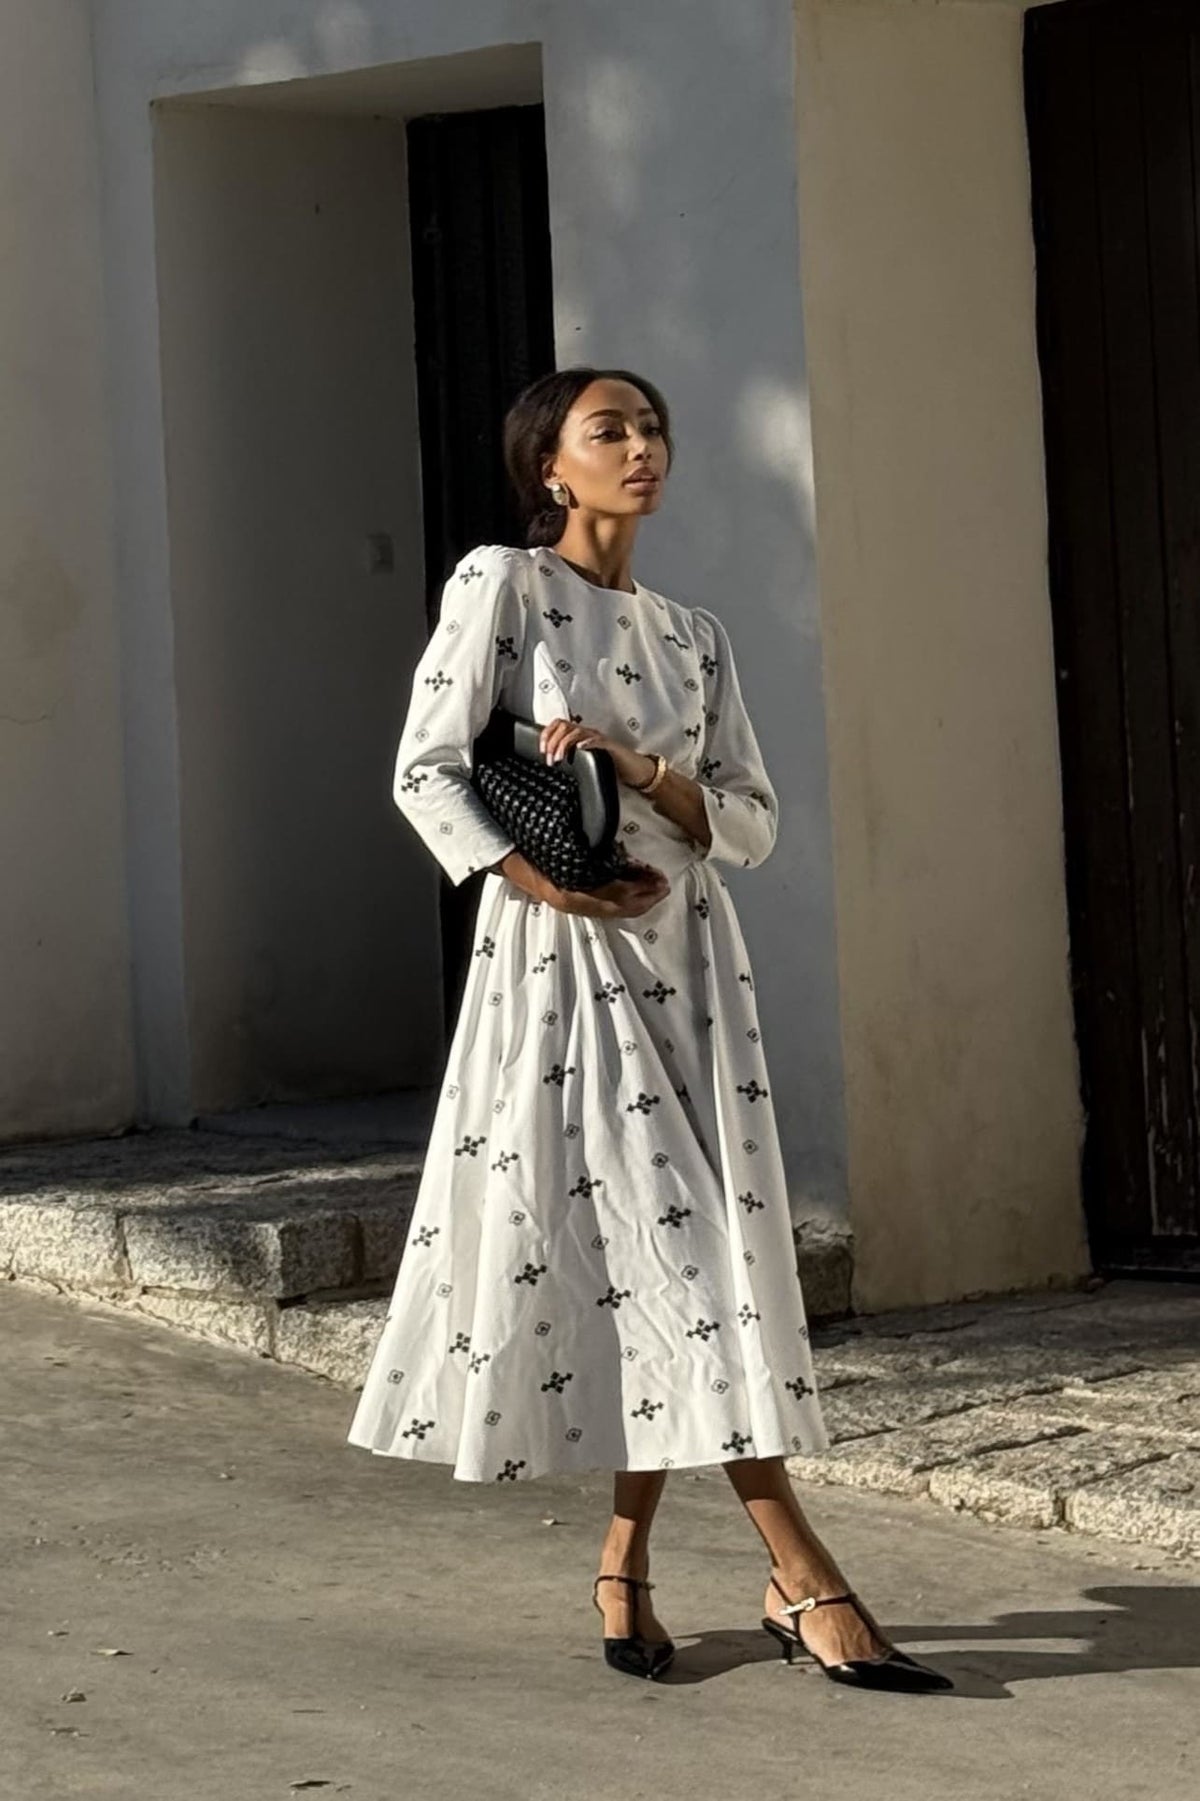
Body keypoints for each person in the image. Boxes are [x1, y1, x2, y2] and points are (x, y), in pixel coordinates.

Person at [346, 367, 950, 1694]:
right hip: (565, 967)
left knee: (669, 1253)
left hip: (694, 967)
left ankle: (624, 1557)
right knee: (687, 1258)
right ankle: (802, 1567)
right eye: (611, 428)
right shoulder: (500, 588)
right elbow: (426, 767)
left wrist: (639, 769)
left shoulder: (695, 636)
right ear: (550, 466)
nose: (645, 447)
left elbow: (749, 818)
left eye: (654, 427)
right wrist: (549, 880)